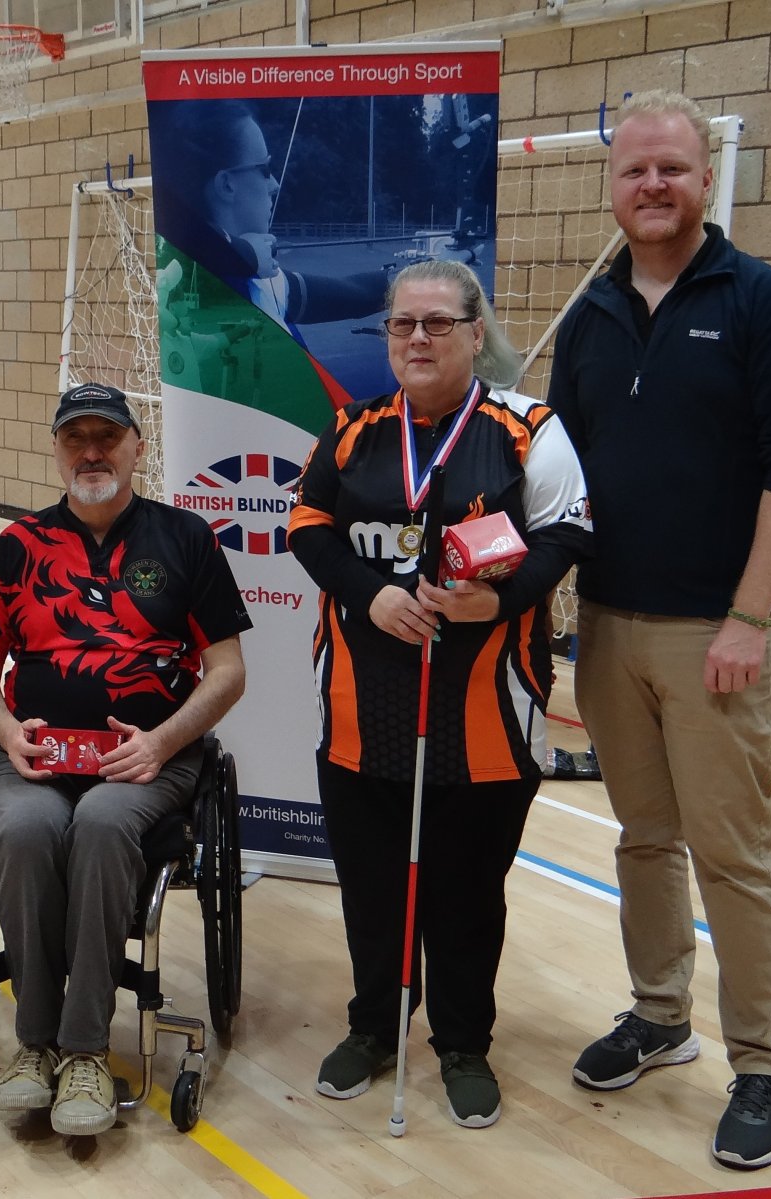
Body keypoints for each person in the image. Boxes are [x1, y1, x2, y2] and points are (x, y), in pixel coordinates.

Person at [546, 90, 771, 1170]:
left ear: (705, 178)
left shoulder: (762, 303)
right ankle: (660, 1014)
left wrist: (749, 617)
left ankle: (760, 1064)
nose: (652, 185)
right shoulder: (589, 314)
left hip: (717, 633)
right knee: (643, 838)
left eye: (671, 167)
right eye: (633, 170)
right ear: (612, 185)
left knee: (733, 857)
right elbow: (557, 476)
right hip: (609, 628)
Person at [288, 259, 592, 1129]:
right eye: (401, 324)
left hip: (488, 713)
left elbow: (569, 531)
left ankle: (463, 1041)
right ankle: (374, 1027)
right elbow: (308, 526)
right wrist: (370, 593)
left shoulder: (527, 427)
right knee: (373, 887)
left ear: (474, 332)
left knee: (466, 890)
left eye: (437, 323)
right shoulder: (352, 431)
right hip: (360, 705)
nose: (417, 338)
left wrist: (499, 598)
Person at [0, 381, 250, 1137]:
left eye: (107, 437)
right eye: (75, 438)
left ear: (136, 447)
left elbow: (227, 670)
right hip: (37, 758)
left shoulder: (187, 539)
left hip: (150, 759)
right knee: (21, 832)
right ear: (56, 450)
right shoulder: (18, 548)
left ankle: (83, 1048)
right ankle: (34, 1045)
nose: (92, 451)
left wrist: (164, 741)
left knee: (104, 823)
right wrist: (7, 730)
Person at [149, 100, 388, 331]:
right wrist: (246, 254)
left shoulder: (262, 281)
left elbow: (354, 292)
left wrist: (413, 278)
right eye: (265, 170)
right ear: (226, 184)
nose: (274, 184)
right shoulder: (177, 293)